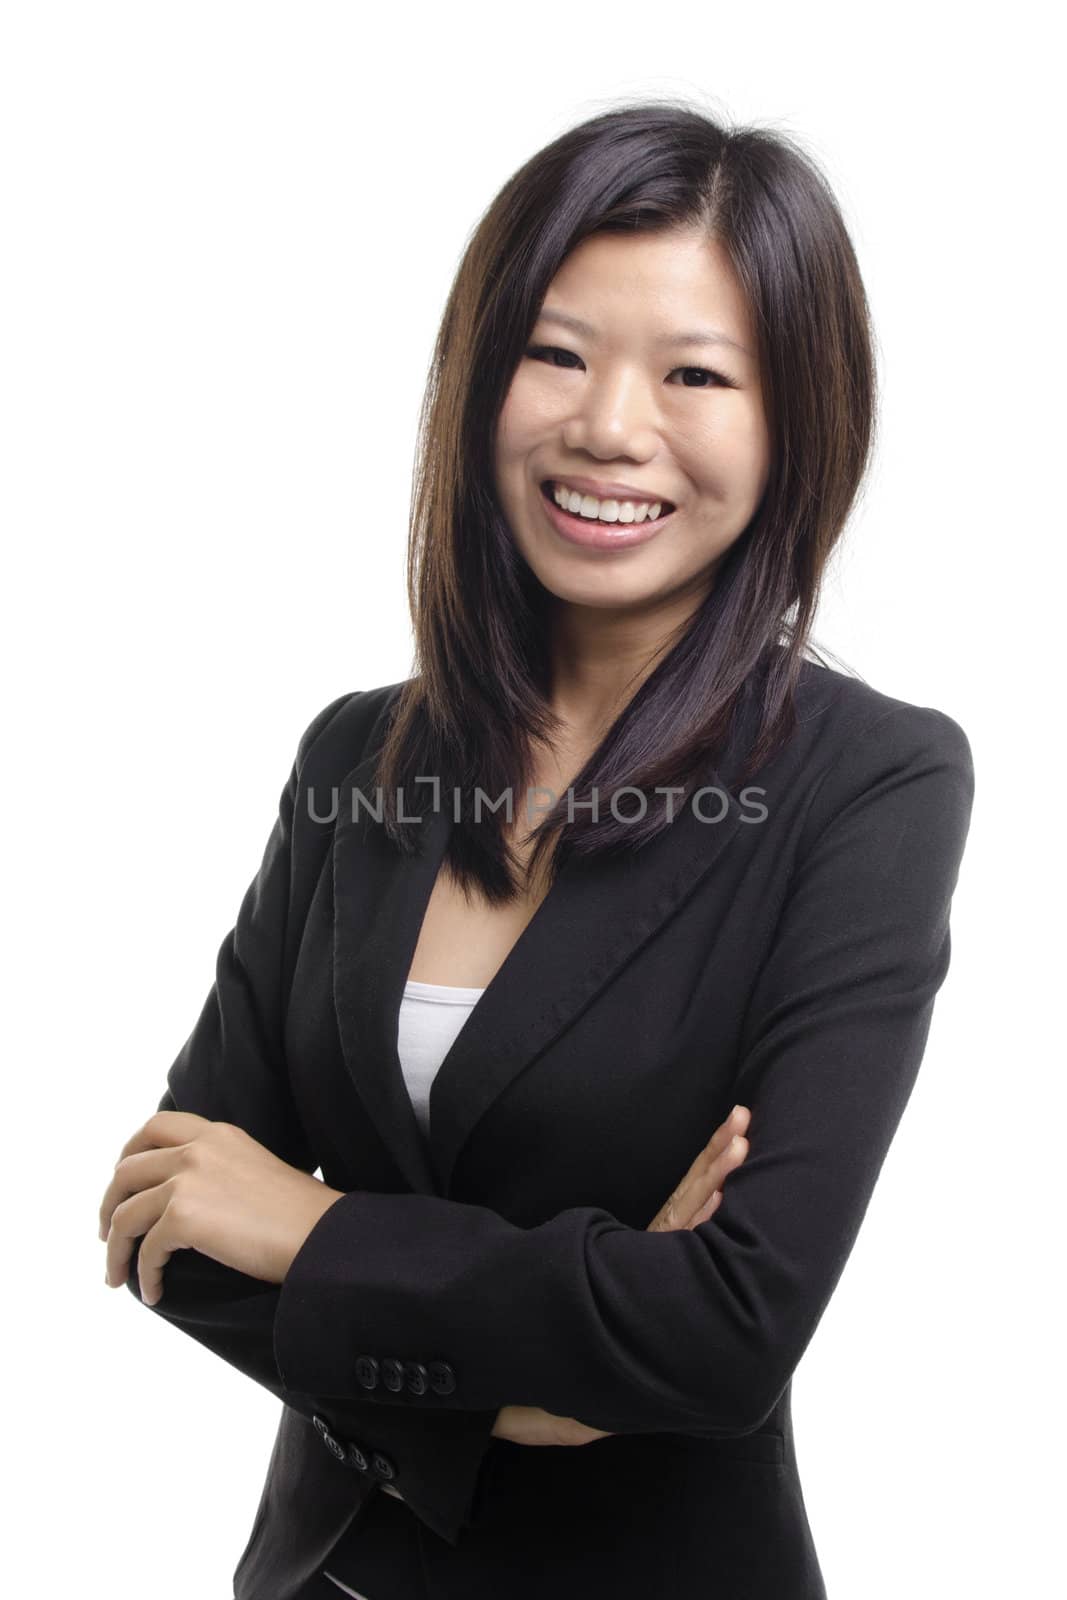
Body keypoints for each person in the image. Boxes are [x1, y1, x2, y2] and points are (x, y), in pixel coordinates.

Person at [98, 99, 975, 1600]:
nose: (610, 428)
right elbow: (168, 1224)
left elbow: (727, 1329)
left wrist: (311, 1226)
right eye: (556, 353)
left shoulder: (868, 781)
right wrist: (525, 1385)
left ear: (794, 422)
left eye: (696, 373)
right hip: (322, 1574)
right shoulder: (355, 758)